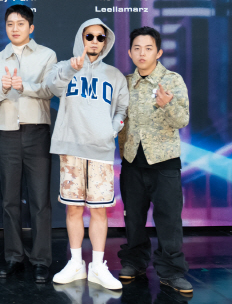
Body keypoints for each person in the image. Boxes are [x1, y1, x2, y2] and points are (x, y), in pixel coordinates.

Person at [46, 18, 128, 291]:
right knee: (73, 208)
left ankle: (98, 266)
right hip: (71, 148)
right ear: (81, 38)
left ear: (106, 42)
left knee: (100, 211)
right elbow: (52, 88)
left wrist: (111, 129)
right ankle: (75, 263)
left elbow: (121, 110)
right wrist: (72, 68)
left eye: (99, 37)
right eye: (89, 36)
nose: (94, 41)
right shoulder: (64, 67)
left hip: (101, 151)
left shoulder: (114, 75)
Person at [0, 5, 57, 283]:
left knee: (40, 200)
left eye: (21, 23)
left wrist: (23, 86)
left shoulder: (47, 55)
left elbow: (51, 89)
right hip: (7, 133)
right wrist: (3, 88)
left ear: (31, 27)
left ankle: (41, 260)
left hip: (37, 131)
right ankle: (14, 257)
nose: (15, 28)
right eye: (10, 24)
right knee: (10, 200)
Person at [117, 27, 193, 294]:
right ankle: (134, 262)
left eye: (148, 48)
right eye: (137, 48)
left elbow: (182, 120)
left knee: (169, 221)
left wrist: (166, 105)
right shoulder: (125, 83)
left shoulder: (172, 80)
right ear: (130, 52)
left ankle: (172, 272)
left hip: (164, 163)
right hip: (131, 161)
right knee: (133, 219)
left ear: (158, 52)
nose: (142, 53)